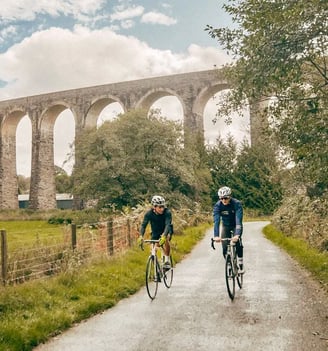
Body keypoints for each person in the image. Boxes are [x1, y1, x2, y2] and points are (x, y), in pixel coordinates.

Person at [213, 186, 244, 273]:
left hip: (235, 225)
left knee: (237, 242)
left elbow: (238, 220)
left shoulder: (236, 204)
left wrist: (237, 234)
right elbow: (216, 221)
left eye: (226, 198)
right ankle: (229, 264)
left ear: (230, 197)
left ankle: (241, 263)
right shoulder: (218, 206)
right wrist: (216, 236)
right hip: (226, 225)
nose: (224, 200)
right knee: (224, 247)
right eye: (221, 198)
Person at [138, 195, 173, 269]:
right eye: (160, 207)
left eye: (163, 207)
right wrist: (141, 236)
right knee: (153, 251)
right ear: (154, 207)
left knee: (165, 239)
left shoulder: (167, 212)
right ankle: (157, 270)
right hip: (155, 232)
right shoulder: (149, 214)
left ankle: (167, 260)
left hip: (166, 230)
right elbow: (143, 225)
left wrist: (164, 236)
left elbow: (167, 224)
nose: (162, 209)